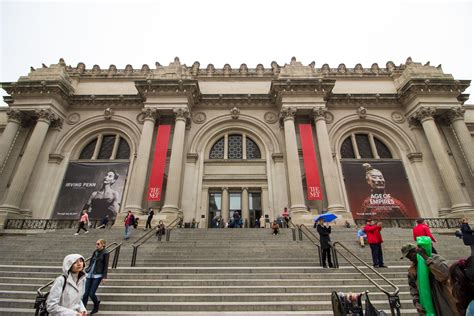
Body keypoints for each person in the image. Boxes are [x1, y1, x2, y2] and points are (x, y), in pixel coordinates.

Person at [400, 243, 460, 316]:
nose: (410, 258)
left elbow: (445, 274)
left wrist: (426, 258)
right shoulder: (412, 270)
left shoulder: (435, 258)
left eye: (410, 255)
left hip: (444, 298)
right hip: (427, 304)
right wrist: (417, 302)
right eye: (407, 257)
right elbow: (413, 288)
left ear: (416, 251)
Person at [83, 239, 109, 314]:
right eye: (96, 244)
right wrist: (87, 269)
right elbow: (91, 261)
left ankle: (96, 305)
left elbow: (105, 265)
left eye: (98, 244)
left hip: (98, 275)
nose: (96, 245)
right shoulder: (95, 252)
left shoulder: (105, 253)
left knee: (91, 293)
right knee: (85, 293)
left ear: (103, 244)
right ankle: (83, 310)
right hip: (90, 273)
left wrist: (104, 277)